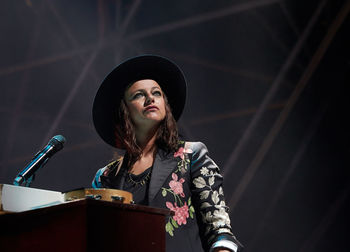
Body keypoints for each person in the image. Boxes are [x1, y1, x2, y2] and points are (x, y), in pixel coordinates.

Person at [91, 55, 242, 252]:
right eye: (138, 95)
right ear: (123, 110)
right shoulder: (105, 177)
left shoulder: (191, 156)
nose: (150, 98)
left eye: (157, 93)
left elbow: (219, 230)